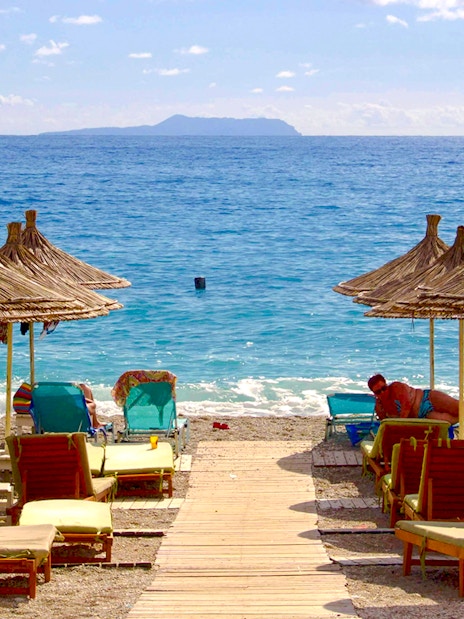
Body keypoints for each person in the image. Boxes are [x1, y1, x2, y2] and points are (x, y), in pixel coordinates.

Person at [367, 373, 459, 425]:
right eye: (378, 392)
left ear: (387, 385)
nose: (383, 392)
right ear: (374, 393)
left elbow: (406, 404)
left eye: (384, 388)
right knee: (450, 421)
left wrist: (400, 426)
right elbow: (385, 423)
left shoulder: (396, 387)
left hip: (427, 398)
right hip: (424, 415)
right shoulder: (380, 406)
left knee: (459, 409)